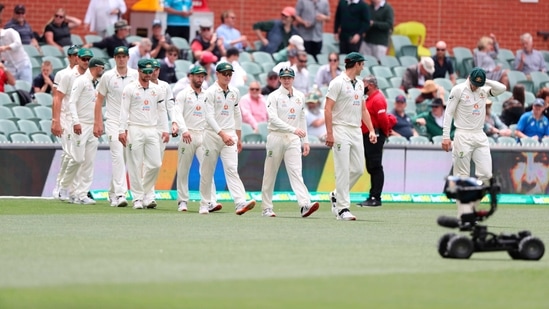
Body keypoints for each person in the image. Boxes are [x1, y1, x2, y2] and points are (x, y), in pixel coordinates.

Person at [441, 67, 506, 220]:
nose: (476, 87)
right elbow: (449, 113)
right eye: (474, 83)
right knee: (461, 176)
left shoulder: (483, 89)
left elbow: (502, 88)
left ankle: (472, 207)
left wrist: (485, 80)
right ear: (469, 78)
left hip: (480, 135)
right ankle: (463, 213)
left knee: (486, 175)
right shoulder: (458, 90)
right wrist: (445, 137)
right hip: (462, 134)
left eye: (479, 84)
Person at [260, 67, 319, 218]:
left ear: (293, 79)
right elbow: (273, 119)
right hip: (276, 137)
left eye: (289, 77)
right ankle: (266, 207)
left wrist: (305, 141)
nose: (286, 80)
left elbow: (301, 118)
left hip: (293, 139)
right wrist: (293, 130)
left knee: (296, 172)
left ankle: (305, 204)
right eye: (284, 77)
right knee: (270, 173)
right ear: (279, 79)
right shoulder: (274, 96)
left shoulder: (300, 96)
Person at [324, 52, 377, 221]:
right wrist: (330, 133)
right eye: (362, 64)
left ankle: (335, 195)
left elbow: (363, 109)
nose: (363, 67)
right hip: (340, 129)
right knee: (342, 169)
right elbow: (327, 109)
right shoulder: (337, 83)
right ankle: (342, 208)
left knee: (358, 169)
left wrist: (371, 130)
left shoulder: (360, 84)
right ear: (356, 64)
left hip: (355, 130)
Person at [199, 62, 256, 215]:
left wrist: (238, 137)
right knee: (207, 170)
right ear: (217, 74)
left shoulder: (235, 92)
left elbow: (237, 114)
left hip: (229, 135)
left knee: (231, 169)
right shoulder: (210, 92)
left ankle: (239, 202)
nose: (227, 76)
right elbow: (209, 117)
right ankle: (205, 203)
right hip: (212, 135)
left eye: (230, 74)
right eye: (224, 73)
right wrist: (222, 134)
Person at [118, 59, 169, 209]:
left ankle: (145, 192)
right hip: (135, 128)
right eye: (145, 72)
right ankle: (138, 198)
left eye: (150, 71)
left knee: (155, 164)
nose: (148, 74)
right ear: (139, 71)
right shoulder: (130, 88)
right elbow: (124, 110)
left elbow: (162, 110)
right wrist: (122, 130)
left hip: (152, 129)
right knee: (135, 164)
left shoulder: (157, 89)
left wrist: (165, 129)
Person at [93, 46, 139, 207]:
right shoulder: (107, 76)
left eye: (123, 56)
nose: (121, 59)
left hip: (130, 122)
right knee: (118, 156)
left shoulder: (135, 75)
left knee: (125, 158)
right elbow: (99, 100)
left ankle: (112, 193)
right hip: (112, 121)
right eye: (118, 56)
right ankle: (121, 195)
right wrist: (98, 122)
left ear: (128, 58)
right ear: (114, 58)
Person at [172, 65, 222, 212]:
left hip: (204, 135)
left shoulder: (207, 95)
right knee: (183, 169)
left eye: (202, 76)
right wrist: (184, 130)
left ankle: (210, 201)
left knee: (207, 169)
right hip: (188, 135)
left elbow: (212, 115)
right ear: (190, 77)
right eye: (197, 76)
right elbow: (177, 113)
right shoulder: (183, 94)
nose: (200, 79)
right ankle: (182, 201)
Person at [64, 58, 105, 205]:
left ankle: (82, 194)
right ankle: (66, 187)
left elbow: (98, 106)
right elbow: (72, 102)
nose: (103, 71)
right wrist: (76, 121)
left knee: (89, 161)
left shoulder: (97, 83)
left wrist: (98, 123)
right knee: (78, 159)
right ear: (96, 68)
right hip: (81, 124)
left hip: (92, 125)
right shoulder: (81, 81)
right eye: (102, 68)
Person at [55, 48, 94, 202]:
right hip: (68, 119)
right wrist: (56, 120)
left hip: (86, 121)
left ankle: (78, 192)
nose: (86, 62)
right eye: (83, 58)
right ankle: (63, 187)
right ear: (75, 59)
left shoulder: (93, 77)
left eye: (88, 59)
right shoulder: (66, 75)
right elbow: (58, 98)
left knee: (84, 158)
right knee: (72, 155)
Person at [50, 44, 80, 199]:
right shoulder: (62, 74)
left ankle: (75, 190)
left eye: (78, 54)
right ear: (69, 57)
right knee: (69, 153)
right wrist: (56, 120)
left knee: (78, 156)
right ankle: (60, 186)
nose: (76, 57)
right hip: (65, 117)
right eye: (73, 55)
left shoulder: (86, 75)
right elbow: (56, 98)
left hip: (80, 119)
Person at [357, 76, 391, 207]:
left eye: (364, 84)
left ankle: (375, 196)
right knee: (372, 166)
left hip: (375, 135)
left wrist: (384, 133)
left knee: (375, 166)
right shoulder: (371, 98)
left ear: (370, 85)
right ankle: (373, 195)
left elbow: (383, 119)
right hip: (370, 135)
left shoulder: (377, 99)